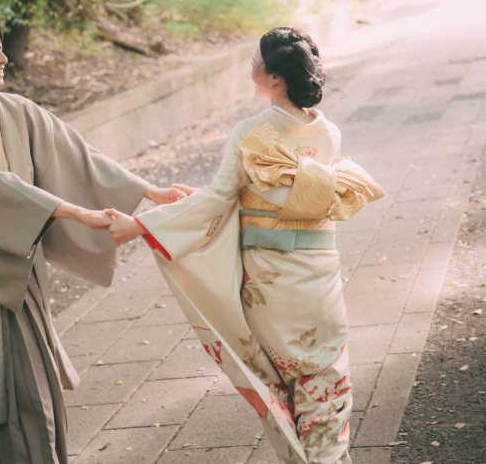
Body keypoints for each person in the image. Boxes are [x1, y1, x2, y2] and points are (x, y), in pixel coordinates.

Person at [0, 10, 185, 464]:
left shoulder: (15, 111)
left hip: (12, 267)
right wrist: (77, 212)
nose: (3, 58)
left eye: (0, 48)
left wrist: (150, 191)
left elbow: (78, 154)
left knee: (34, 392)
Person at [106, 27, 384, 464]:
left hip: (271, 275)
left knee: (281, 378)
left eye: (255, 64)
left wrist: (139, 225)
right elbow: (280, 197)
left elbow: (221, 199)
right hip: (319, 267)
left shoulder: (251, 132)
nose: (250, 69)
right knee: (324, 377)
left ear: (274, 78)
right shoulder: (328, 131)